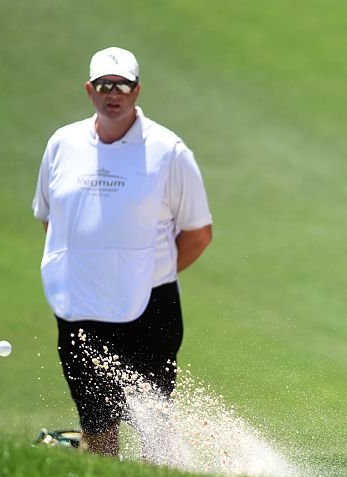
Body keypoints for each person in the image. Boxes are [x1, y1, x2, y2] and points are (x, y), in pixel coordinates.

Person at [32, 47, 213, 456]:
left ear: (137, 90)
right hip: (81, 305)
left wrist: (144, 273)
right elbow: (51, 218)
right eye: (104, 85)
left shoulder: (168, 151)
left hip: (150, 305)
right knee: (96, 420)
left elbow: (199, 233)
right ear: (89, 90)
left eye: (123, 86)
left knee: (153, 422)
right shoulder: (62, 144)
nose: (114, 93)